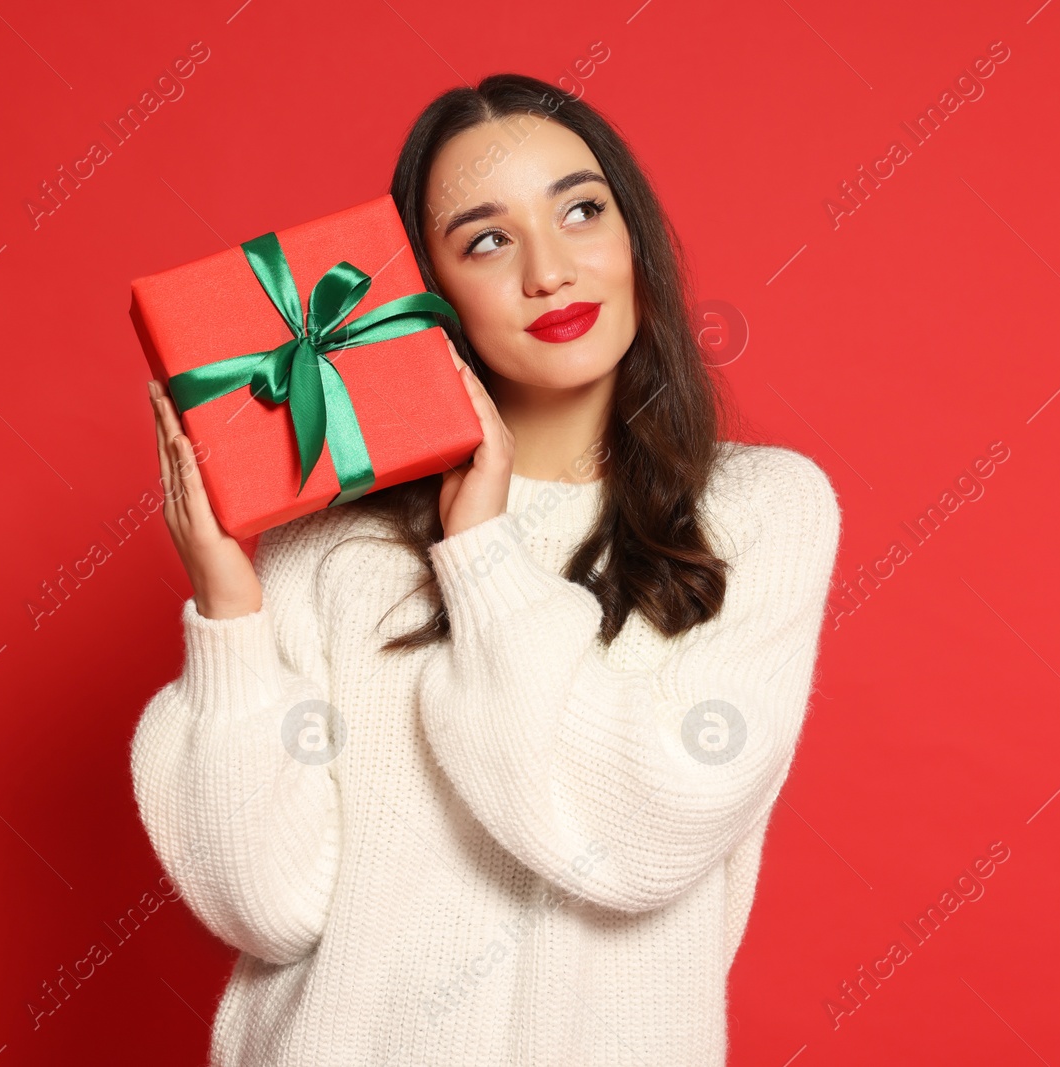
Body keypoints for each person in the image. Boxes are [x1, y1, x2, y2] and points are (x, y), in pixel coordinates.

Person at [131, 72, 842, 1067]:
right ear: (425, 291)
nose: (549, 270)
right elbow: (268, 906)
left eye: (581, 210)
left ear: (632, 237)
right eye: (486, 239)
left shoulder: (758, 511)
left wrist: (485, 557)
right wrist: (229, 608)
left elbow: (634, 835)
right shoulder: (327, 549)